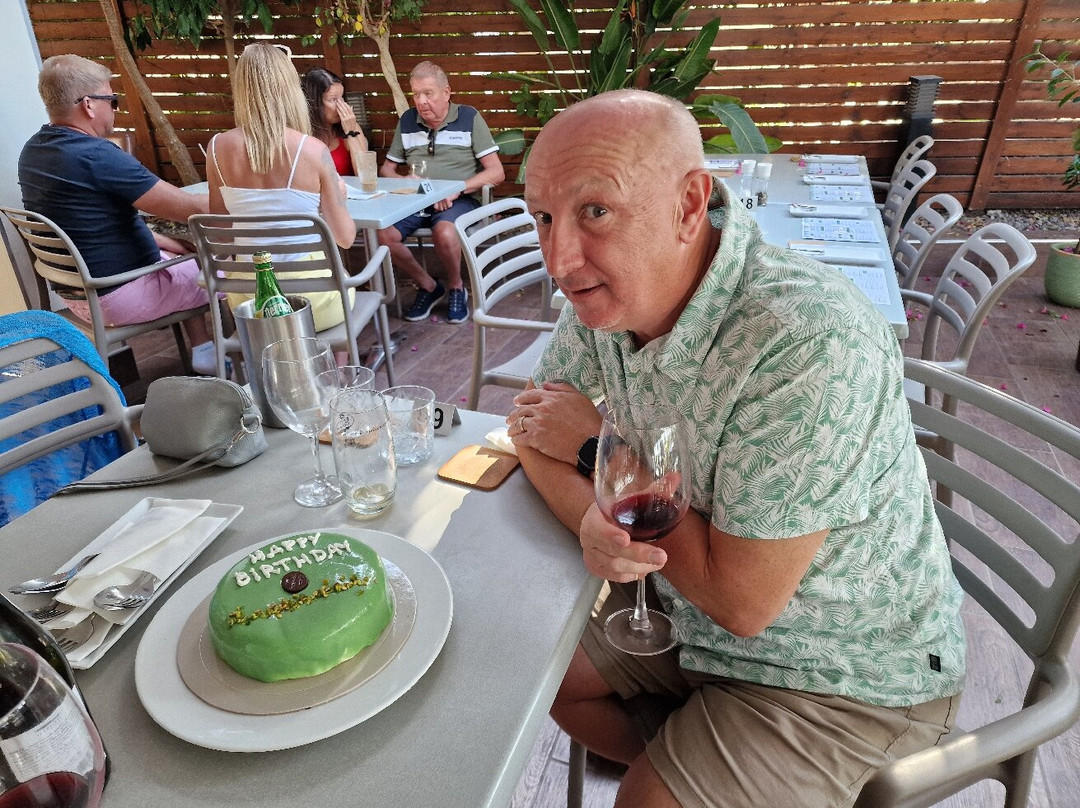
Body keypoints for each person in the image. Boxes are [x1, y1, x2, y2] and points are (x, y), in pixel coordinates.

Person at [506, 89, 966, 808]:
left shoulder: (806, 339)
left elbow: (740, 600)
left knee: (646, 800)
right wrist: (598, 519)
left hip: (842, 672)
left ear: (689, 205)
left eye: (595, 210)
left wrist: (596, 453)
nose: (559, 259)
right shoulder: (608, 296)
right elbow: (532, 431)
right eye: (542, 217)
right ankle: (697, 760)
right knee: (538, 678)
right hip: (682, 613)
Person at [18, 54, 216, 374]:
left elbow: (88, 221)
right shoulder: (96, 155)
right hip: (118, 295)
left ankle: (203, 349)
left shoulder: (34, 150)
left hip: (77, 294)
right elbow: (192, 209)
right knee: (222, 267)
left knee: (179, 252)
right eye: (112, 100)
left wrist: (161, 239)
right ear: (88, 105)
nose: (115, 109)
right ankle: (233, 357)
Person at [206, 43, 356, 332]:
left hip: (250, 304)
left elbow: (222, 236)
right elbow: (345, 238)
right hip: (311, 301)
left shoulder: (216, 148)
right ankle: (331, 359)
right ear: (290, 88)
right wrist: (339, 197)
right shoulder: (312, 150)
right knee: (344, 292)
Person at [377, 61, 505, 325]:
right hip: (417, 198)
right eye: (416, 94)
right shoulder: (408, 120)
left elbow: (496, 172)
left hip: (461, 199)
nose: (421, 101)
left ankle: (457, 287)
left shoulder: (468, 117)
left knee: (444, 232)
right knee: (383, 235)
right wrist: (404, 180)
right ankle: (429, 286)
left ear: (446, 92)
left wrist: (456, 190)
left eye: (428, 93)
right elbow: (386, 170)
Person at [301, 67, 369, 177]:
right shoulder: (301, 133)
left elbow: (365, 175)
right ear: (315, 103)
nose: (341, 105)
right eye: (333, 100)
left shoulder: (351, 127)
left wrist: (350, 132)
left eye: (342, 98)